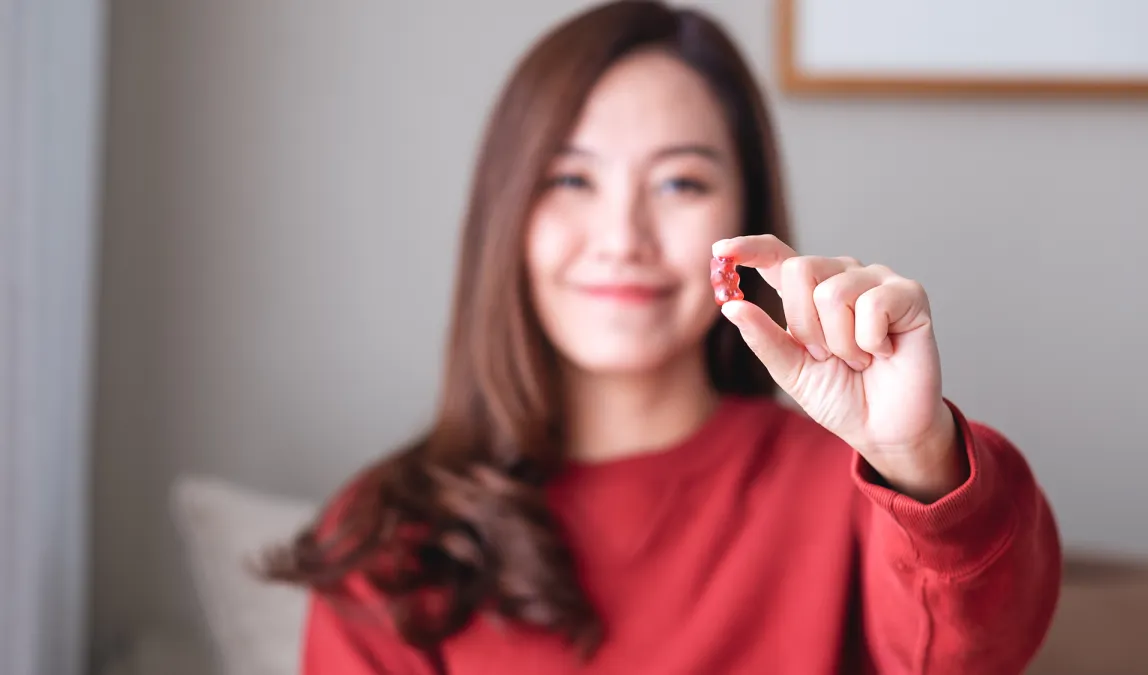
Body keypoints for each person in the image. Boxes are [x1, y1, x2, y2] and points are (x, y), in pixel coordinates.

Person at [266, 2, 1062, 673]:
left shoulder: (857, 490)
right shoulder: (388, 531)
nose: (623, 236)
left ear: (745, 217)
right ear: (505, 213)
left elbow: (977, 645)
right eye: (571, 179)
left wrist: (918, 457)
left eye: (681, 182)